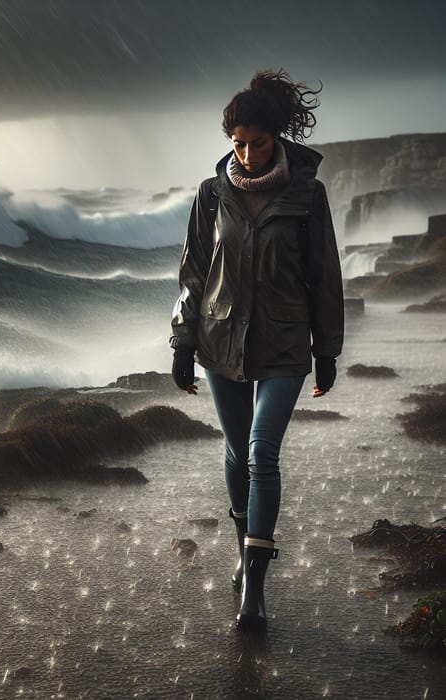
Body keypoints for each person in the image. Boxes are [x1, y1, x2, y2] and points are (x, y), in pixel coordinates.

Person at [169, 69, 344, 633]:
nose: (245, 154)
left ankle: (256, 588)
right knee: (235, 450)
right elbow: (194, 273)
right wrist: (181, 341)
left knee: (261, 452)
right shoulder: (210, 194)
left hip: (286, 343)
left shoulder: (307, 194)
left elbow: (323, 275)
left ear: (278, 138)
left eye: (257, 143)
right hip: (219, 341)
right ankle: (244, 556)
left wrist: (328, 351)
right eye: (237, 144)